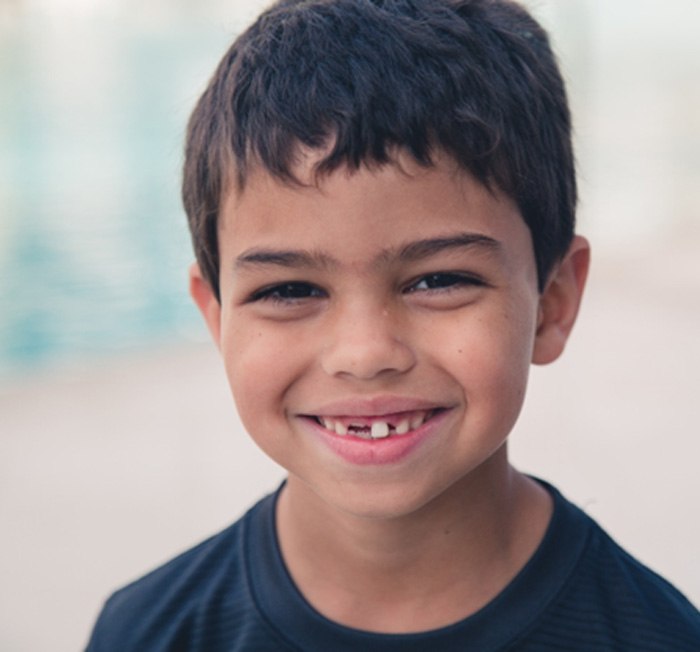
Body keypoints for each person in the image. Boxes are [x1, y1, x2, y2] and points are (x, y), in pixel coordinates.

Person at [86, 1, 700, 650]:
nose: (365, 352)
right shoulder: (146, 633)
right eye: (289, 289)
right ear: (216, 318)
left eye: (438, 280)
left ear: (553, 301)